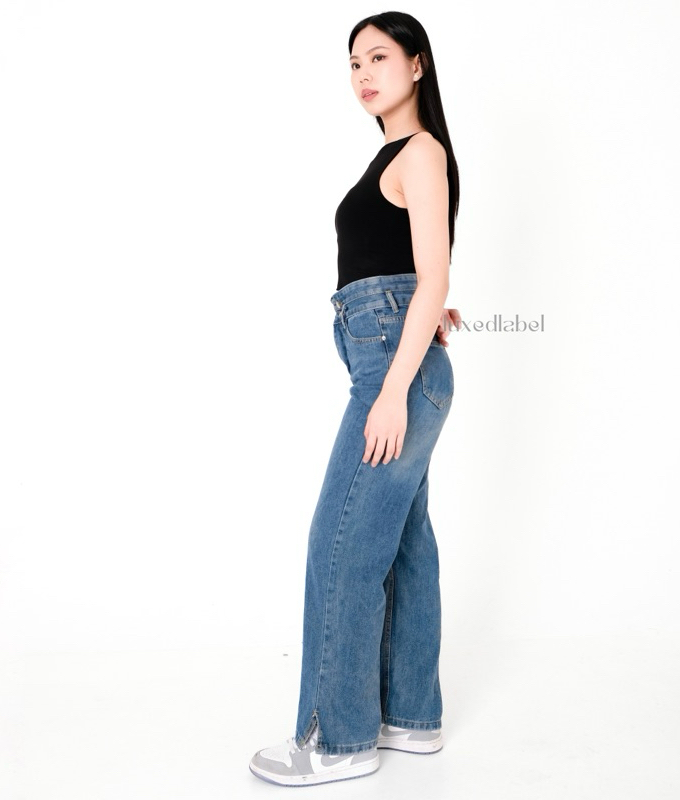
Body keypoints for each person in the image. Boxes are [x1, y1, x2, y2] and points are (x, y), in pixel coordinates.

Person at [249, 11, 461, 787]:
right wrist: (425, 315)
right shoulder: (400, 157)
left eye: (378, 56)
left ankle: (338, 740)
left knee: (338, 547)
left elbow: (432, 274)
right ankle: (409, 717)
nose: (363, 74)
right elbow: (417, 274)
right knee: (403, 547)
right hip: (398, 354)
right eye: (353, 63)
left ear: (417, 64)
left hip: (390, 372)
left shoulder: (421, 151)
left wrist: (394, 389)